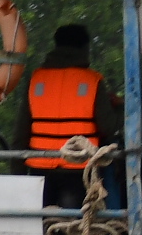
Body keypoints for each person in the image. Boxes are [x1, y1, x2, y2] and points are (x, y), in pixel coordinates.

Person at [16, 22, 124, 209]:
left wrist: (16, 175)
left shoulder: (36, 79)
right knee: (74, 229)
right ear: (85, 48)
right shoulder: (93, 80)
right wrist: (119, 108)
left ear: (56, 45)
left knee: (41, 227)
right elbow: (108, 127)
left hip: (39, 167)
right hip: (78, 168)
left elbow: (20, 133)